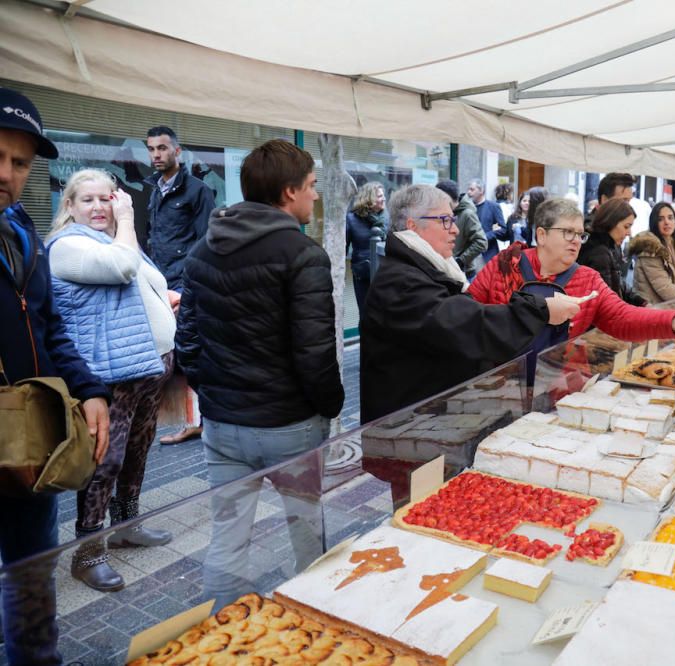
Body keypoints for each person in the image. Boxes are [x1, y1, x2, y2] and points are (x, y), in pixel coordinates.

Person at [175, 139, 344, 609]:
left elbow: (186, 341)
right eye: (311, 187)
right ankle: (317, 628)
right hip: (289, 426)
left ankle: (216, 640)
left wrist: (212, 396)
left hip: (224, 426)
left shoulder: (201, 251)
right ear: (288, 192)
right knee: (309, 537)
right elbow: (315, 355)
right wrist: (330, 407)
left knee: (227, 539)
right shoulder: (303, 254)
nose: (316, 196)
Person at [0, 87, 111, 666]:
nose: (7, 174)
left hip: (30, 447)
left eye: (19, 163)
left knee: (31, 579)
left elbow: (48, 325)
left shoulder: (21, 230)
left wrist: (90, 389)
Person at [46, 170, 176, 592]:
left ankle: (126, 523)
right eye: (89, 200)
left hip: (148, 366)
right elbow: (123, 268)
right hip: (109, 374)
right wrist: (127, 220)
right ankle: (88, 552)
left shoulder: (111, 239)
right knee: (105, 461)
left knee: (138, 451)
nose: (100, 207)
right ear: (69, 206)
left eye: (107, 198)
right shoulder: (67, 246)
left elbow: (145, 279)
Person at [360, 184, 580, 423]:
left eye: (453, 220)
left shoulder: (428, 270)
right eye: (445, 220)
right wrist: (540, 310)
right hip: (403, 426)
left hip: (427, 418)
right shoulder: (401, 281)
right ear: (413, 226)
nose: (455, 229)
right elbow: (465, 323)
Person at [470, 197, 675, 347]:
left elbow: (622, 317)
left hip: (554, 384)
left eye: (580, 234)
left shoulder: (586, 279)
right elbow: (469, 313)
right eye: (567, 232)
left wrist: (673, 320)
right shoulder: (504, 265)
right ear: (542, 235)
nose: (575, 240)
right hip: (498, 381)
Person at [146, 126, 216, 445]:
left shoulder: (197, 190)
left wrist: (190, 286)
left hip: (185, 284)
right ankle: (193, 419)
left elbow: (206, 241)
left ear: (178, 151)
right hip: (161, 283)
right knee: (173, 351)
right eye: (151, 149)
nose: (156, 154)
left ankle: (199, 420)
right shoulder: (155, 190)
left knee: (189, 351)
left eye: (162, 148)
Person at [578, 198, 645, 306]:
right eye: (626, 226)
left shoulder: (606, 246)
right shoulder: (599, 253)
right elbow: (606, 303)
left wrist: (640, 301)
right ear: (611, 222)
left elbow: (618, 282)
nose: (629, 233)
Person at [628, 202, 675, 305]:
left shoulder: (674, 244)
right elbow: (663, 287)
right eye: (660, 219)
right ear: (654, 223)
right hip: (650, 308)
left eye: (670, 218)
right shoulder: (650, 248)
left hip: (664, 305)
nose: (666, 222)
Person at [345, 181, 387, 316]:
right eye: (380, 196)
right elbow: (343, 248)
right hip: (363, 276)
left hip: (385, 274)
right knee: (366, 315)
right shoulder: (352, 219)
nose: (384, 199)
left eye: (383, 195)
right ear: (369, 198)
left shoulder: (386, 218)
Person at [435, 179, 486, 278]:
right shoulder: (444, 212)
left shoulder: (468, 214)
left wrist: (461, 260)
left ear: (447, 197)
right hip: (445, 269)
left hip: (465, 274)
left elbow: (482, 242)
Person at [467, 178, 507, 262]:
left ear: (481, 191)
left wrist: (485, 237)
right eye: (468, 189)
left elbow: (503, 230)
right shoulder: (466, 208)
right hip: (469, 255)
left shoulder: (493, 206)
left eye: (472, 189)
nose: (469, 192)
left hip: (487, 254)